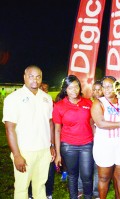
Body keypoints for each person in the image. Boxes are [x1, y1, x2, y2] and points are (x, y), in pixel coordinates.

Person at [3, 65, 55, 198]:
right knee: (22, 188)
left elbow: (50, 123)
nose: (35, 80)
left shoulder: (47, 98)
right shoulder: (13, 98)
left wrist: (51, 146)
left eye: (38, 77)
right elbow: (9, 129)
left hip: (43, 150)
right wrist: (17, 155)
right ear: (24, 77)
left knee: (40, 186)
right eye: (31, 76)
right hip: (24, 151)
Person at [91, 76, 120, 199]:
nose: (107, 89)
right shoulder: (99, 103)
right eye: (104, 86)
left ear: (117, 86)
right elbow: (100, 123)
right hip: (105, 145)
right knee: (104, 178)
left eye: (110, 86)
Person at [53, 75, 94, 199]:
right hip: (68, 145)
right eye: (70, 88)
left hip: (87, 144)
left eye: (76, 86)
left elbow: (92, 123)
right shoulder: (59, 106)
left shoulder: (88, 102)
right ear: (65, 89)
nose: (74, 90)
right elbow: (57, 130)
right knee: (72, 175)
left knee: (87, 175)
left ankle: (88, 196)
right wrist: (58, 153)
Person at [28, 82, 56, 199]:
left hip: (46, 143)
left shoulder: (50, 102)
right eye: (41, 88)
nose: (44, 90)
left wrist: (52, 144)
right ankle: (30, 194)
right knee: (31, 170)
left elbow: (52, 124)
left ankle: (48, 193)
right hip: (31, 144)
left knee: (49, 170)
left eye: (46, 88)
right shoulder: (29, 103)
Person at [78, 80, 103, 199]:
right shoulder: (87, 103)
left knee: (98, 166)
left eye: (99, 89)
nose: (97, 92)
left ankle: (96, 192)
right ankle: (80, 188)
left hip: (102, 140)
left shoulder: (107, 104)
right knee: (84, 165)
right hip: (87, 140)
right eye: (94, 89)